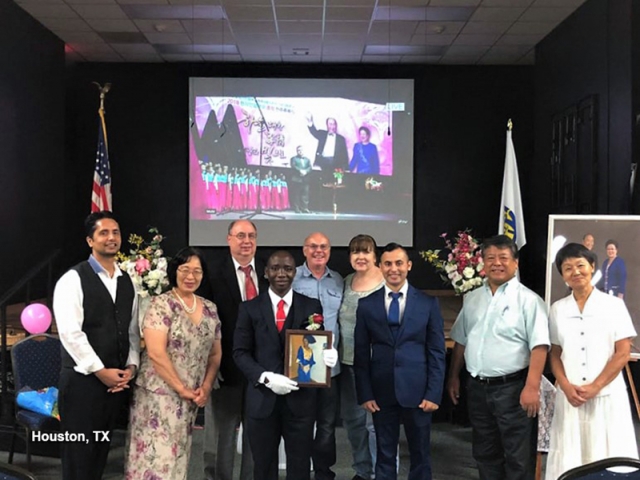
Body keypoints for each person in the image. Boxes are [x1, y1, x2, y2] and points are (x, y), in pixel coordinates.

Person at [447, 234, 550, 480]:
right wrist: (454, 377)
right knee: (485, 452)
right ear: (483, 262)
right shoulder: (472, 298)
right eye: (490, 258)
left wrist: (532, 387)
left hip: (514, 389)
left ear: (515, 263)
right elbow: (461, 340)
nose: (497, 263)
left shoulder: (529, 301)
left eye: (503, 258)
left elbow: (540, 346)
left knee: (517, 455)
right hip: (477, 388)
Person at [233, 251, 338, 480]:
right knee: (263, 467)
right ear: (266, 272)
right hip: (262, 400)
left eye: (288, 269)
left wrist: (327, 355)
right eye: (275, 268)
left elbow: (315, 343)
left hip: (301, 402)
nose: (281, 273)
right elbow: (240, 353)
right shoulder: (249, 308)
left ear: (294, 273)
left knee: (300, 467)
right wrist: (265, 377)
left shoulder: (311, 306)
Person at [52, 211, 140, 480]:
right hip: (82, 384)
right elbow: (70, 333)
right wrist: (100, 371)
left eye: (116, 232)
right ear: (90, 241)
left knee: (100, 455)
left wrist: (132, 366)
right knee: (79, 457)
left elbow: (131, 330)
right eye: (104, 233)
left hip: (114, 385)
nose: (111, 238)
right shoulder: (73, 279)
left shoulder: (128, 281)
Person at [125, 247, 222, 479]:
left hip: (191, 399)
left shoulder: (210, 309)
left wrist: (206, 387)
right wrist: (181, 388)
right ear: (174, 271)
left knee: (179, 457)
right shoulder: (161, 304)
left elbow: (215, 355)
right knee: (154, 460)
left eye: (197, 271)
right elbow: (156, 353)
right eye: (185, 270)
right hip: (158, 396)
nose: (191, 276)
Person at [545, 243, 638, 480]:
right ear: (562, 275)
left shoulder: (613, 305)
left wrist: (596, 386)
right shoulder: (557, 309)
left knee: (610, 456)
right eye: (567, 268)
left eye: (580, 265)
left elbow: (622, 352)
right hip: (571, 397)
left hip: (607, 396)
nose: (575, 272)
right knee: (571, 459)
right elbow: (555, 353)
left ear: (592, 267)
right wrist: (565, 386)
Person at [354, 242, 446, 480]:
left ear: (409, 265)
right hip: (381, 391)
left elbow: (436, 352)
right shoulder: (366, 305)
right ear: (380, 266)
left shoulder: (427, 303)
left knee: (420, 454)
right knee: (384, 453)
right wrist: (365, 393)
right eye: (387, 264)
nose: (393, 269)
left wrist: (434, 393)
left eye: (398, 263)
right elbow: (361, 354)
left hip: (418, 391)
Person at [203, 219, 267, 480]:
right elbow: (204, 323)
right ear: (229, 239)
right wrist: (210, 367)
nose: (246, 241)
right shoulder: (211, 272)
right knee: (221, 436)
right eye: (240, 235)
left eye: (251, 235)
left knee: (256, 434)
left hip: (261, 370)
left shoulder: (269, 270)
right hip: (225, 368)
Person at [293, 232, 343, 480]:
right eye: (313, 246)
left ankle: (324, 472)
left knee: (326, 426)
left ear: (330, 251)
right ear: (304, 250)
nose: (318, 251)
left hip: (331, 369)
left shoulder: (339, 281)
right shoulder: (292, 277)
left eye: (323, 246)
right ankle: (300, 472)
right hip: (301, 367)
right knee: (300, 424)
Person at [338, 234, 385, 480]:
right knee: (354, 423)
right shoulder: (347, 281)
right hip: (348, 364)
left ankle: (382, 473)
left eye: (366, 251)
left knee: (376, 424)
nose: (360, 256)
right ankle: (363, 471)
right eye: (355, 252)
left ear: (375, 256)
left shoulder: (387, 282)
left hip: (377, 366)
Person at [290, 145, 312, 213]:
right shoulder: (294, 159)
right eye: (298, 150)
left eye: (301, 150)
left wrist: (306, 171)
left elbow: (310, 167)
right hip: (297, 179)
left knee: (305, 194)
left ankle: (304, 208)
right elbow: (293, 166)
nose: (300, 151)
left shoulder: (307, 159)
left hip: (305, 179)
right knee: (296, 194)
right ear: (297, 151)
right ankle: (297, 208)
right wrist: (300, 171)